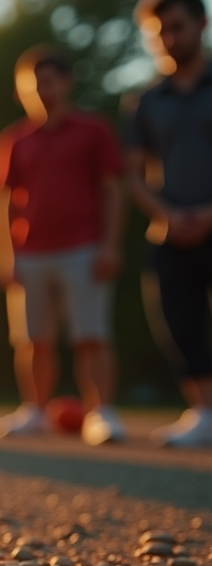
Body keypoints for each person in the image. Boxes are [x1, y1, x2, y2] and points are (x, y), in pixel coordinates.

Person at [0, 47, 127, 445]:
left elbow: (112, 190)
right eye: (32, 84)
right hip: (30, 252)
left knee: (91, 334)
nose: (41, 90)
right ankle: (34, 410)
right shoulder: (14, 139)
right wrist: (6, 255)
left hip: (83, 248)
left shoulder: (93, 130)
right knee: (33, 339)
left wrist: (110, 246)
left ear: (66, 82)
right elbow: (2, 201)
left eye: (48, 81)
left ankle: (101, 412)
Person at [125, 0, 212, 447]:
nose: (169, 39)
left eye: (177, 28)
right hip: (171, 229)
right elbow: (134, 176)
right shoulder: (144, 101)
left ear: (202, 22)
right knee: (179, 324)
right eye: (160, 33)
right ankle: (204, 411)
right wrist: (169, 214)